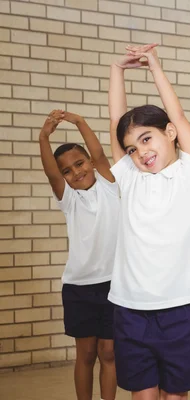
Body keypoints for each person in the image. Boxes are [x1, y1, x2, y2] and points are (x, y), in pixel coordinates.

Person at [108, 44, 190, 400]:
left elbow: (179, 116)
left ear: (169, 133)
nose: (141, 153)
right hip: (131, 307)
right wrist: (116, 70)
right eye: (132, 149)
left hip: (181, 307)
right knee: (143, 394)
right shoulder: (130, 177)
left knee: (175, 395)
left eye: (146, 138)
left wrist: (154, 66)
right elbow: (115, 124)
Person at [39, 110, 119, 400]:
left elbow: (99, 155)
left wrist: (79, 122)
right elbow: (50, 172)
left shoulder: (110, 187)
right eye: (67, 171)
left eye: (79, 163)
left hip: (113, 285)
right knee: (86, 354)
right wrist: (44, 136)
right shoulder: (69, 199)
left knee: (108, 352)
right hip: (79, 288)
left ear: (90, 163)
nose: (77, 172)